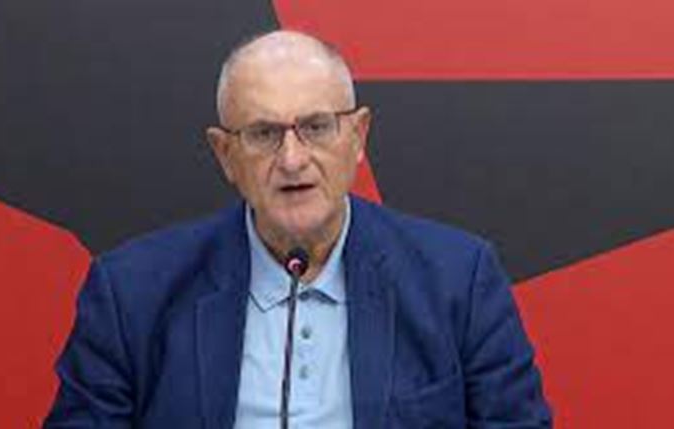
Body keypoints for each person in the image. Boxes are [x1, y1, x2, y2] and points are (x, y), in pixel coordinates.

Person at [44, 30, 551, 428]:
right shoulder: (132, 294)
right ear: (225, 154)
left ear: (358, 136)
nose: (292, 159)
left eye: (316, 127)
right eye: (263, 133)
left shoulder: (458, 280)